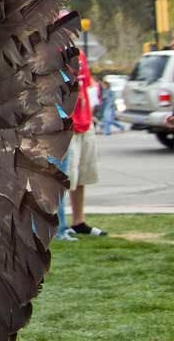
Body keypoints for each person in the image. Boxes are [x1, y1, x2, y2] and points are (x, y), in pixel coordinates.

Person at [63, 51, 107, 237]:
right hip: (66, 125)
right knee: (64, 178)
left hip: (85, 122)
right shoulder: (50, 52)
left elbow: (87, 86)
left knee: (82, 176)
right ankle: (57, 226)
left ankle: (78, 222)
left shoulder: (79, 55)